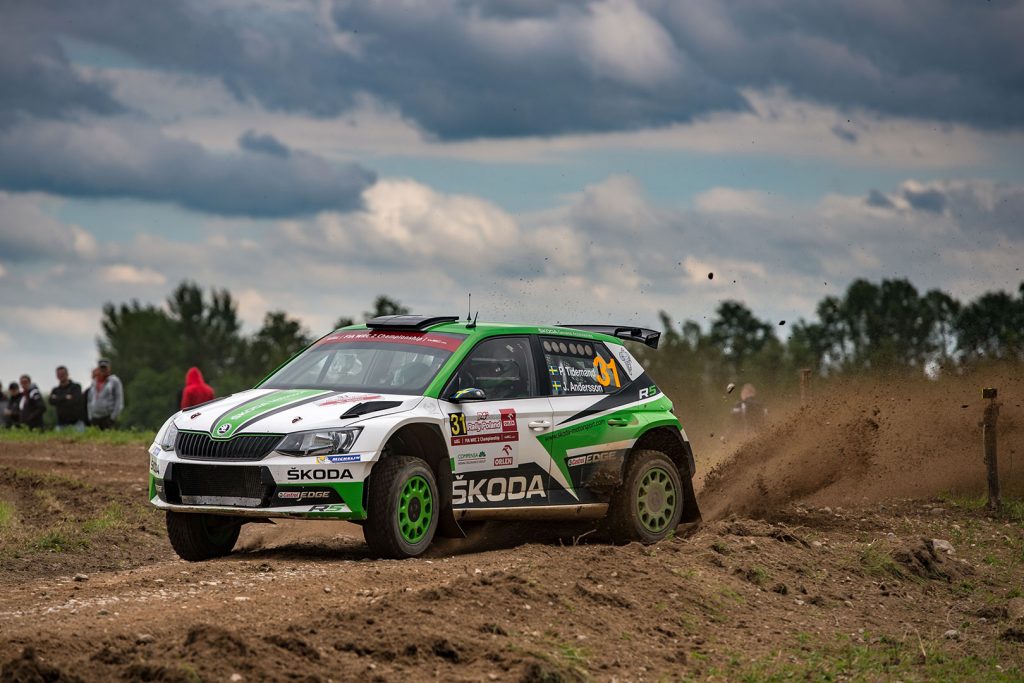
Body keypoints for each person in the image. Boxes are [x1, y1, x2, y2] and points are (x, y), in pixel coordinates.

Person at [88, 359, 124, 429]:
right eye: (101, 368)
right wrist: (90, 416)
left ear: (109, 368)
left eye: (105, 368)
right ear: (99, 369)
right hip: (95, 418)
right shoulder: (94, 382)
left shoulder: (114, 381)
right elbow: (89, 400)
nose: (103, 370)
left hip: (108, 417)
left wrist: (113, 417)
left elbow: (119, 399)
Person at [49, 365, 86, 432]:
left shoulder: (76, 387)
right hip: (61, 424)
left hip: (76, 423)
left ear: (67, 374)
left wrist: (58, 399)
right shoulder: (55, 390)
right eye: (59, 374)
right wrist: (65, 397)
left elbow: (75, 400)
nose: (61, 376)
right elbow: (51, 401)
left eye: (63, 374)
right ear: (57, 376)